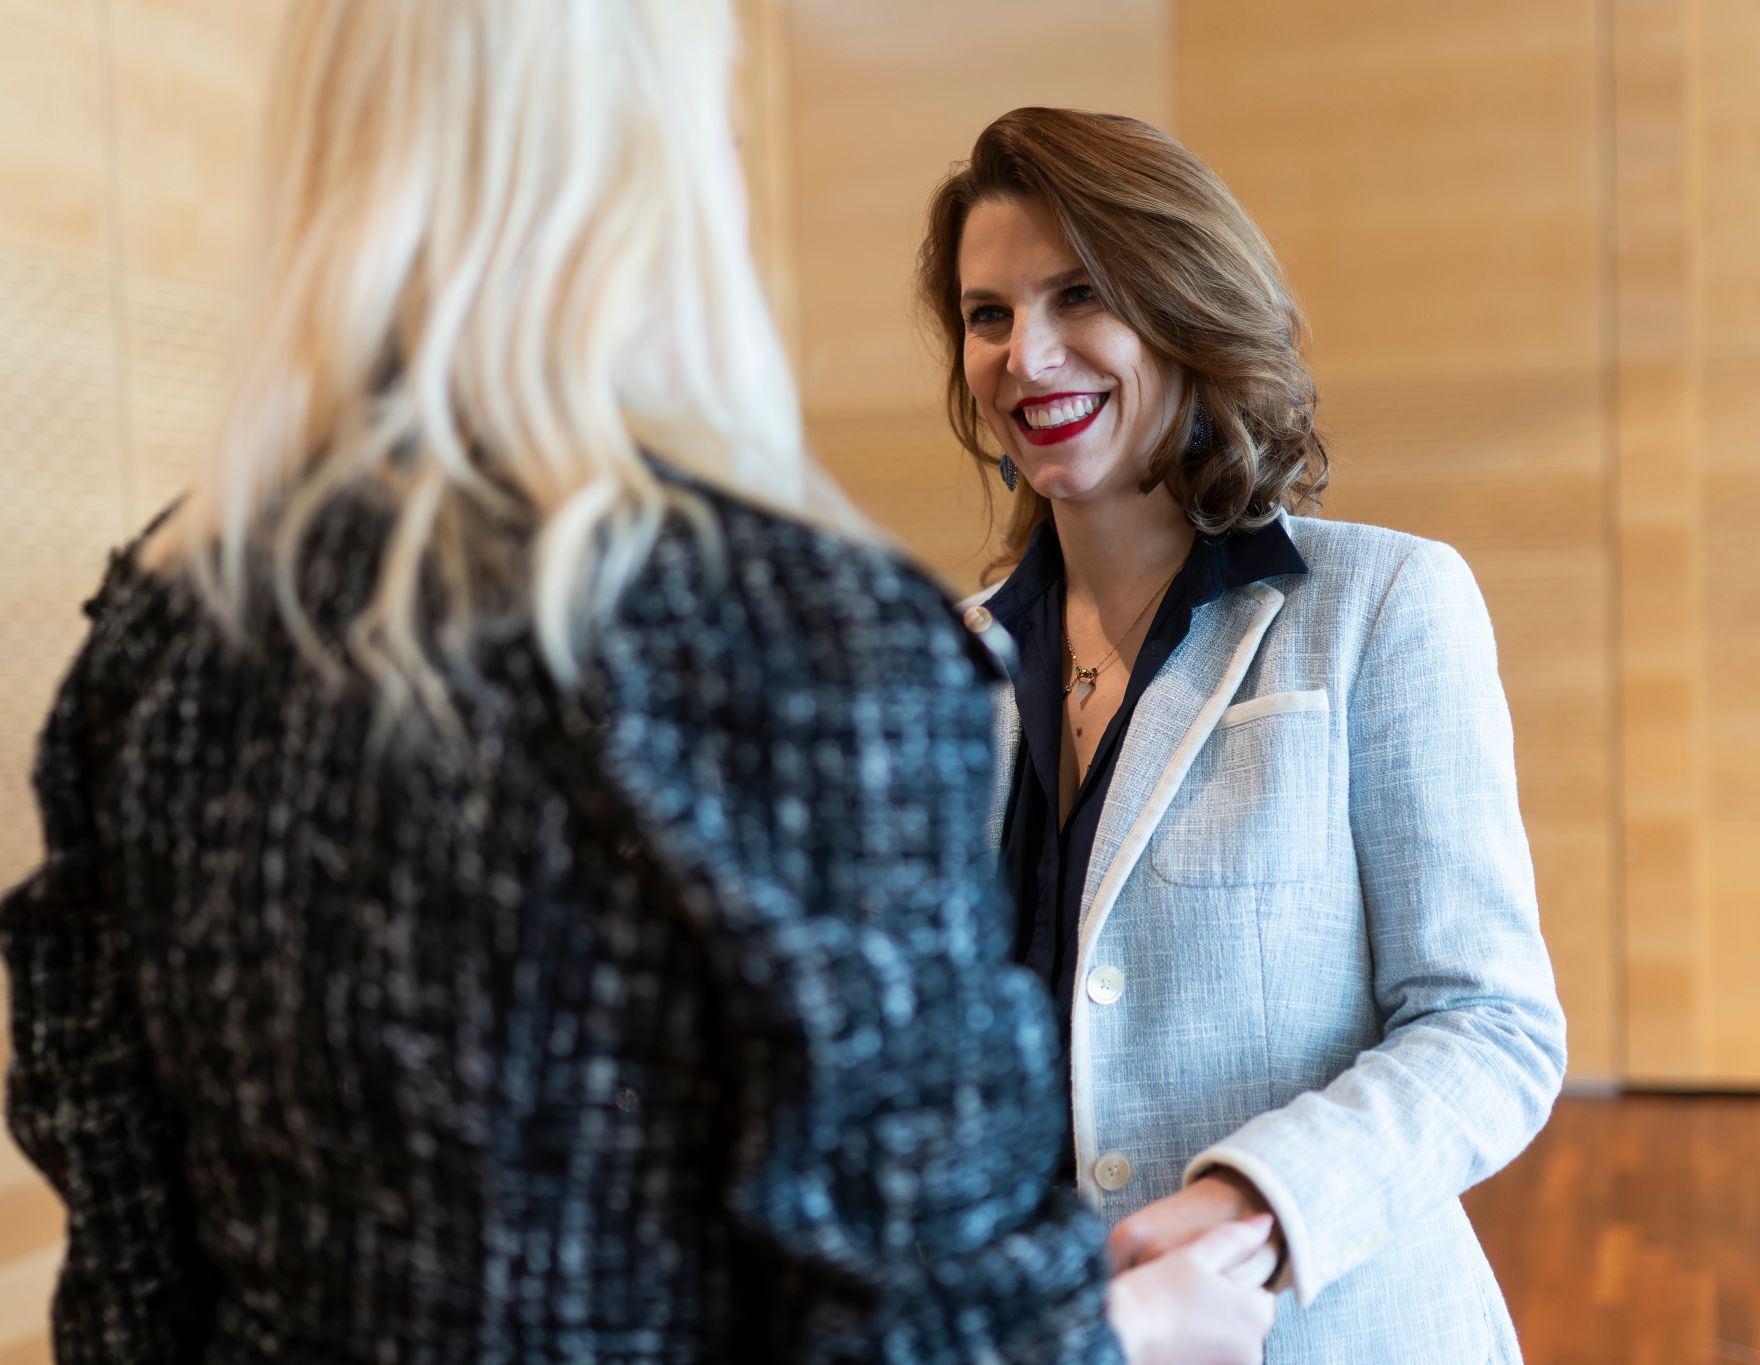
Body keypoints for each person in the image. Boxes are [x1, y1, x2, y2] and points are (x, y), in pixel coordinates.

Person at [0, 8, 1279, 1364]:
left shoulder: (150, 646)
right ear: (661, 159)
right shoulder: (798, 639)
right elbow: (926, 1320)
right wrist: (1136, 1330)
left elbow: (125, 1283)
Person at [918, 106, 1569, 1363]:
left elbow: (1489, 1026)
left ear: (1181, 305)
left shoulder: (1383, 605)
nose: (1024, 354)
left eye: (1077, 296)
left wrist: (1252, 1204)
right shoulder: (939, 672)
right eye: (986, 315)